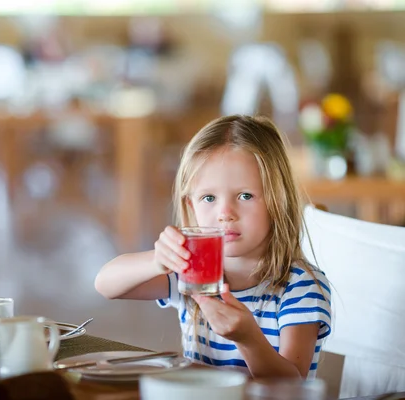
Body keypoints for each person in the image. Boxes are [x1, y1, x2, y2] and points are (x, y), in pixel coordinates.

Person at [94, 115, 331, 379]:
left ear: (279, 200)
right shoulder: (193, 272)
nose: (225, 213)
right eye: (209, 197)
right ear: (191, 205)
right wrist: (156, 261)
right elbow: (105, 284)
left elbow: (290, 386)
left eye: (245, 196)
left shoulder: (300, 285)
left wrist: (249, 339)